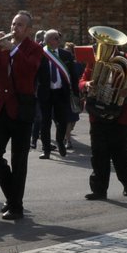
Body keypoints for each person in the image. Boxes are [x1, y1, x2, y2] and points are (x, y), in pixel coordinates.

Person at [0, 11, 43, 221]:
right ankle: (12, 196)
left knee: (19, 159)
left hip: (22, 108)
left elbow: (29, 69)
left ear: (29, 29)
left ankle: (16, 206)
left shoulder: (34, 49)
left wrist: (12, 49)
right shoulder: (3, 47)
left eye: (20, 25)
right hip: (1, 108)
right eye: (14, 24)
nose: (15, 28)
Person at [83, 41, 127, 201]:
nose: (106, 48)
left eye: (110, 45)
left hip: (121, 115)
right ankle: (99, 190)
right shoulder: (95, 60)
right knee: (98, 154)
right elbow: (82, 80)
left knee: (121, 154)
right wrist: (87, 84)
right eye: (103, 44)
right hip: (98, 114)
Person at [36, 29, 77, 159]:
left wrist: (76, 92)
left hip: (61, 93)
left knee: (62, 121)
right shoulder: (40, 54)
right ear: (47, 41)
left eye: (58, 38)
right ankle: (46, 149)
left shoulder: (66, 55)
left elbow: (74, 76)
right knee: (45, 122)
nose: (58, 40)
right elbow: (34, 74)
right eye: (55, 38)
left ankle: (60, 142)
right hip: (45, 93)